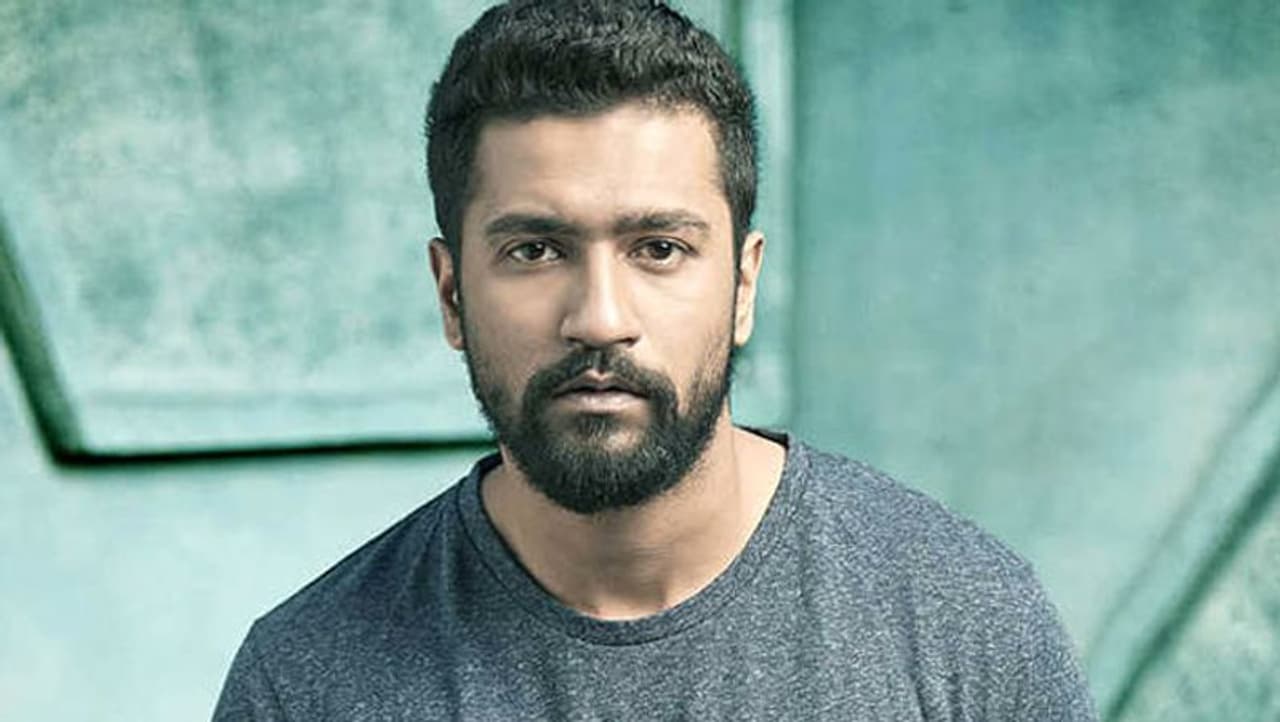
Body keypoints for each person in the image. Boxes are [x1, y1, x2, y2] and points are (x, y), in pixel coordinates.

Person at [214, 1, 1098, 719]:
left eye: (660, 249)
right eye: (535, 251)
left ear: (743, 286)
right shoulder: (306, 682)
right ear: (452, 296)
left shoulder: (965, 628)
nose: (601, 319)